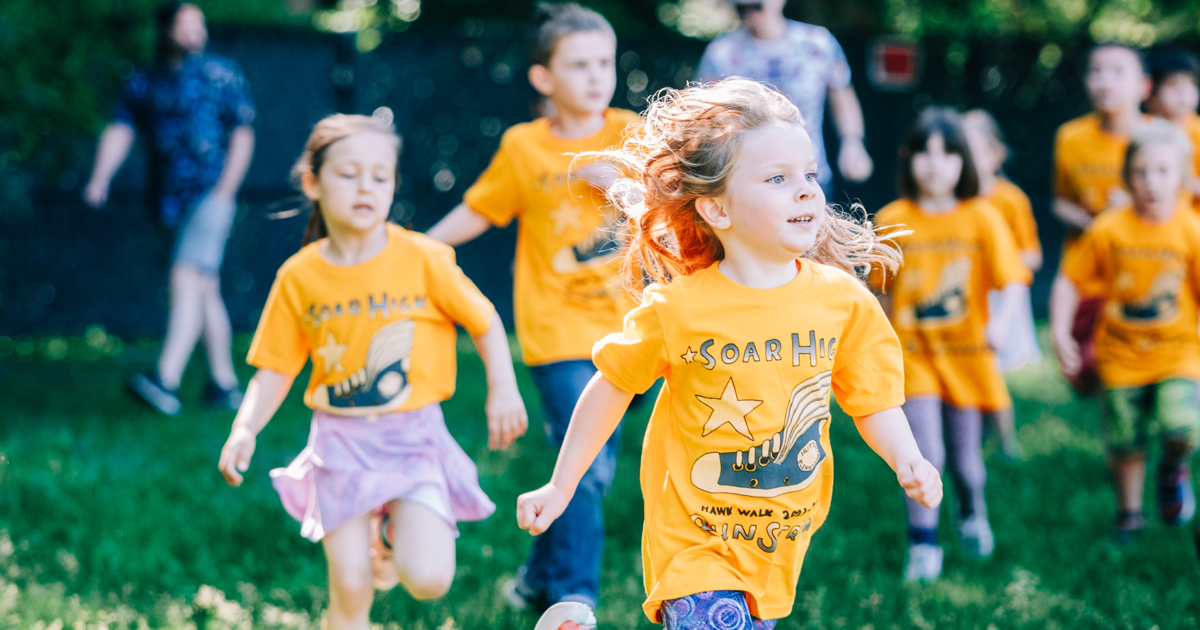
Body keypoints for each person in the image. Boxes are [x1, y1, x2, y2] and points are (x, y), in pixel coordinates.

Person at [516, 79, 943, 630]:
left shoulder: (843, 301)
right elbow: (614, 383)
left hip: (777, 538)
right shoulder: (679, 308)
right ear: (716, 208)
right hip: (693, 536)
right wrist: (562, 482)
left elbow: (872, 398)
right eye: (777, 179)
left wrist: (907, 457)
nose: (807, 191)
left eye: (809, 175)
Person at [216, 114, 528, 629]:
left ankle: (385, 534)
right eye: (349, 174)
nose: (367, 187)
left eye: (380, 176)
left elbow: (484, 319)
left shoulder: (424, 258)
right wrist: (245, 428)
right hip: (339, 443)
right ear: (313, 183)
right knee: (351, 590)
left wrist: (502, 387)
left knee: (429, 579)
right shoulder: (299, 277)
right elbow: (274, 368)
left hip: (413, 438)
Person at [424, 3, 639, 616]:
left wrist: (621, 186)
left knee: (588, 471)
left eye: (604, 62)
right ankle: (575, 599)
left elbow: (675, 207)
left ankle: (532, 579)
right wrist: (419, 247)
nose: (597, 76)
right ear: (544, 79)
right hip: (559, 336)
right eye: (578, 65)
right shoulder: (524, 147)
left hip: (635, 329)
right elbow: (481, 208)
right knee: (591, 470)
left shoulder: (630, 134)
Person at [873, 107, 1030, 582]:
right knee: (926, 456)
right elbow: (879, 291)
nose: (934, 164)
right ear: (908, 160)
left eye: (946, 154)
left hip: (968, 358)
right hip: (914, 359)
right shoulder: (892, 219)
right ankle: (923, 544)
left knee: (965, 462)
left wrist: (1000, 324)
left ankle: (970, 512)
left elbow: (1015, 281)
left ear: (964, 161)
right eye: (924, 152)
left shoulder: (982, 217)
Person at [82, 1, 256, 415]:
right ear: (165, 30)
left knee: (185, 276)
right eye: (185, 24)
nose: (196, 31)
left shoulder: (222, 74)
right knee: (204, 287)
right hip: (169, 201)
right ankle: (224, 385)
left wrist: (225, 191)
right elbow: (121, 128)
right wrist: (100, 177)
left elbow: (243, 133)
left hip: (211, 196)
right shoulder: (145, 80)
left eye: (200, 23)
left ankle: (167, 380)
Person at [1051, 120, 1199, 543]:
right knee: (1125, 441)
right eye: (1141, 172)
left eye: (1163, 172)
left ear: (1183, 176)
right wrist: (1061, 332)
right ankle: (1129, 517)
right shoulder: (1109, 229)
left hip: (1179, 353)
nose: (1151, 183)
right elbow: (1069, 280)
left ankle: (1172, 468)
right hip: (1120, 356)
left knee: (1182, 427)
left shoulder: (1191, 229)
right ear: (1127, 176)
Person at [1049, 44, 1151, 394]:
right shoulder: (1070, 137)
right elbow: (1060, 201)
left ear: (1144, 86)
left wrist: (1129, 209)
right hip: (1087, 271)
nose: (1104, 82)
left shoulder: (1162, 138)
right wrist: (1093, 223)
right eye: (1096, 72)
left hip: (1144, 270)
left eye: (1117, 72)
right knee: (1086, 375)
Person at [696, 0, 873, 196]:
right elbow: (706, 116)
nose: (750, 14)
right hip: (748, 180)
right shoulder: (721, 53)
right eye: (742, 8)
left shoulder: (817, 42)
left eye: (756, 6)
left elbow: (842, 97)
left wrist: (852, 143)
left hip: (810, 175)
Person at [962, 109, 1043, 460]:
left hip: (1001, 301)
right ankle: (975, 441)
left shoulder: (1010, 199)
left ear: (996, 155)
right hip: (964, 300)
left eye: (974, 150)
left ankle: (1006, 443)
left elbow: (1032, 256)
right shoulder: (951, 202)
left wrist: (1000, 262)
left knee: (990, 371)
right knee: (971, 368)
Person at [1146, 49, 1200, 210]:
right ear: (1149, 91)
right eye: (1172, 85)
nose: (1184, 93)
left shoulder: (1197, 130)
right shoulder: (1141, 130)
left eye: (1190, 84)